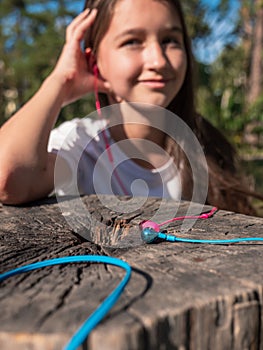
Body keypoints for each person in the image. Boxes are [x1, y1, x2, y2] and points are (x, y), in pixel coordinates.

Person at [0, 0, 260, 216]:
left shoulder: (206, 146)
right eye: (132, 41)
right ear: (94, 61)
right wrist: (59, 82)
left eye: (170, 40)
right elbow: (7, 178)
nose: (158, 60)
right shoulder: (83, 144)